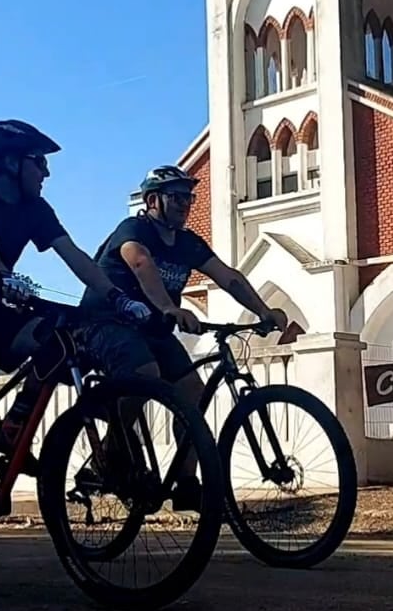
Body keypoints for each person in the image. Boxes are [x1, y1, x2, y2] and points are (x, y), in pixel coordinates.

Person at [0, 119, 150, 572]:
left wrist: (118, 298)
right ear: (10, 162)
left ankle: (12, 428)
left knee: (55, 340)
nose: (46, 173)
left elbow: (76, 256)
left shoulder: (37, 209)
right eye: (39, 163)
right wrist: (3, 276)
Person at [75, 164, 290, 510]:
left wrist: (263, 310)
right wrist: (167, 307)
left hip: (151, 328)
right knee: (145, 375)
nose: (185, 204)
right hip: (105, 322)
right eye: (176, 197)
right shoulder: (134, 229)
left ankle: (187, 483)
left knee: (193, 394)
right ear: (152, 200)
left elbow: (228, 277)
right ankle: (113, 453)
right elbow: (140, 262)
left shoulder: (188, 243)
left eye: (188, 197)